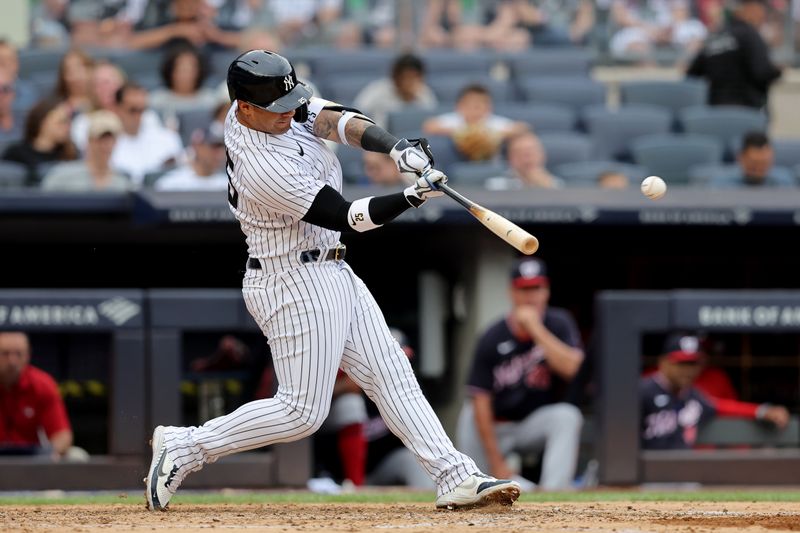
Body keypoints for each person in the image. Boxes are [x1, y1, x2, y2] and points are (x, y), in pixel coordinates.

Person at [145, 49, 521, 512]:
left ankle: (455, 475)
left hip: (330, 268)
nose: (289, 114)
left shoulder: (268, 104)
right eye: (277, 110)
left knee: (391, 374)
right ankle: (186, 447)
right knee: (301, 412)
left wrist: (393, 146)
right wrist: (410, 196)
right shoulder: (263, 166)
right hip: (290, 279)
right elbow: (348, 218)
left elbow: (333, 120)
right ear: (244, 108)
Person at [457, 257, 584, 491]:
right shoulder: (492, 336)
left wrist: (536, 329)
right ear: (512, 292)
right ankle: (479, 482)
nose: (530, 296)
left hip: (533, 424)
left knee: (567, 416)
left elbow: (571, 368)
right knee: (469, 412)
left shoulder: (559, 323)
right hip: (497, 427)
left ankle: (553, 492)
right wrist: (497, 462)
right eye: (524, 289)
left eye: (536, 288)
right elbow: (481, 400)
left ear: (546, 291)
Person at [640, 332, 790, 450]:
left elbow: (722, 406)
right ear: (663, 363)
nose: (688, 370)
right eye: (682, 363)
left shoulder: (692, 397)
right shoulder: (642, 391)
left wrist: (762, 411)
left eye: (693, 364)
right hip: (645, 479)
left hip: (684, 476)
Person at [687, 0, 782, 111]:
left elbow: (692, 74)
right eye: (759, 9)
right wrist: (778, 71)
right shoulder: (749, 34)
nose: (762, 14)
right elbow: (762, 72)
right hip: (747, 111)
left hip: (715, 112)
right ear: (747, 9)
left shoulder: (715, 36)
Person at [0, 332, 73, 459]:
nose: (12, 361)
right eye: (5, 354)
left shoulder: (42, 384)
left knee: (76, 456)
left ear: (28, 356)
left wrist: (50, 453)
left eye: (18, 354)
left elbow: (62, 435)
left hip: (31, 459)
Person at [423, 84, 527, 162]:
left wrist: (490, 134)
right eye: (470, 105)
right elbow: (429, 126)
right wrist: (466, 133)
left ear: (489, 107)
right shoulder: (455, 119)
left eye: (480, 105)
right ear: (459, 106)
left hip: (491, 162)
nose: (475, 110)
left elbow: (522, 128)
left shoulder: (492, 121)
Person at [111, 82, 185, 186]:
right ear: (117, 109)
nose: (138, 116)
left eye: (142, 110)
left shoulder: (168, 139)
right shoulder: (106, 142)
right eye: (132, 110)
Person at [42, 110, 131, 192]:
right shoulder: (62, 177)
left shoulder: (123, 182)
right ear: (89, 141)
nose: (106, 145)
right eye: (100, 139)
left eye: (110, 139)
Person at [2, 98, 79, 186]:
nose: (67, 127)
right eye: (61, 122)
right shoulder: (15, 153)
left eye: (69, 122)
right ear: (42, 122)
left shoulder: (70, 154)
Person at [353, 53, 438, 129]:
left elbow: (432, 123)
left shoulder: (426, 94)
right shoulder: (377, 90)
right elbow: (356, 114)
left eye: (415, 77)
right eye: (407, 77)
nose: (411, 83)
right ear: (396, 77)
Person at [149, 43, 218, 122]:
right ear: (170, 71)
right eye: (181, 69)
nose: (186, 74)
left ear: (199, 71)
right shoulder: (157, 101)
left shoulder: (210, 100)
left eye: (190, 69)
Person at [154, 122, 227, 190]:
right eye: (214, 147)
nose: (220, 154)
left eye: (222, 147)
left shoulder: (227, 186)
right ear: (197, 147)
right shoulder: (173, 184)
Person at [709, 131, 794, 188]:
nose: (759, 169)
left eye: (764, 163)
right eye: (755, 163)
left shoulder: (784, 182)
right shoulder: (721, 185)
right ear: (741, 158)